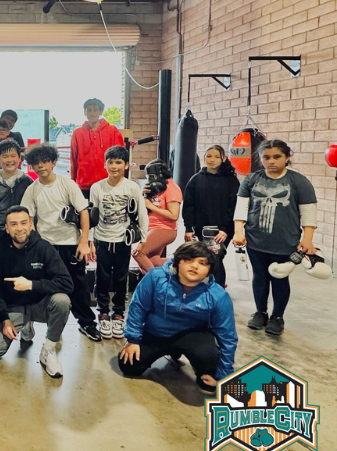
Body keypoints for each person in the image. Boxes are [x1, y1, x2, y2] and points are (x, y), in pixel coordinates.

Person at [118, 241, 238, 395]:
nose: (194, 266)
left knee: (210, 365)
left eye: (202, 263)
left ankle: (199, 367)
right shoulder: (155, 277)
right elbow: (138, 306)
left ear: (209, 269)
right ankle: (168, 351)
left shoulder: (218, 295)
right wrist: (133, 340)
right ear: (177, 262)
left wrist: (224, 376)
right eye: (188, 260)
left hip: (192, 336)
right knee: (128, 366)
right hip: (155, 333)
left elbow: (227, 336)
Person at [233, 139, 317, 336]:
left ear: (287, 157)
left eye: (277, 157)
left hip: (285, 241)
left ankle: (277, 317)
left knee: (280, 279)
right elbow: (241, 207)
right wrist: (239, 231)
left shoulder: (299, 182)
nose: (271, 161)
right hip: (256, 240)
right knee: (260, 277)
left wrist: (307, 239)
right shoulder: (251, 180)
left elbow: (308, 213)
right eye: (266, 157)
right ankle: (260, 313)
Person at [22, 143, 101, 342]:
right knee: (45, 286)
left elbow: (84, 211)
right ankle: (42, 322)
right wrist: (35, 244)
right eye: (36, 163)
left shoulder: (67, 184)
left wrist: (84, 241)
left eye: (44, 161)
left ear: (53, 162)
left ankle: (87, 323)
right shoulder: (32, 189)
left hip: (71, 244)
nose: (40, 166)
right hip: (46, 246)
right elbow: (28, 218)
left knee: (79, 285)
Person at [0, 206, 73, 378]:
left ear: (31, 225)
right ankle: (25, 325)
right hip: (14, 308)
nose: (19, 228)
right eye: (14, 224)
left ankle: (48, 350)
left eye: (23, 223)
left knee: (62, 300)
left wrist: (32, 285)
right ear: (7, 228)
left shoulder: (44, 248)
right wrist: (4, 319)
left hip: (41, 305)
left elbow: (66, 283)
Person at [89, 145, 148, 339]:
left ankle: (119, 312)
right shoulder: (97, 187)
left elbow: (142, 213)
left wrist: (143, 239)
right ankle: (103, 312)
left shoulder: (132, 187)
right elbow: (92, 216)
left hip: (123, 241)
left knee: (122, 278)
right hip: (102, 240)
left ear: (126, 165)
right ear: (105, 164)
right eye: (110, 162)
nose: (114, 166)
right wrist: (90, 241)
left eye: (118, 162)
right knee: (102, 277)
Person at [182, 145, 240, 287]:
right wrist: (188, 228)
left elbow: (233, 207)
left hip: (222, 230)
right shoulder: (196, 179)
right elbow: (189, 205)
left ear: (223, 158)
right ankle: (205, 288)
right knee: (204, 258)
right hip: (201, 228)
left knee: (215, 257)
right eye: (209, 156)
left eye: (216, 156)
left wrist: (225, 229)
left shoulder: (231, 180)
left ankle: (217, 290)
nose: (212, 160)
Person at [132, 159, 183, 274]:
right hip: (152, 227)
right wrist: (142, 195)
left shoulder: (172, 188)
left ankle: (157, 280)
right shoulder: (156, 187)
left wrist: (151, 205)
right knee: (153, 262)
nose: (149, 179)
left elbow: (174, 215)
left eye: (151, 176)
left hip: (164, 228)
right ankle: (164, 279)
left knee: (137, 252)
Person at [70, 99, 124, 198]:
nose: (92, 113)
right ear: (85, 112)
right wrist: (73, 182)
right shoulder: (77, 133)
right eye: (89, 110)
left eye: (95, 110)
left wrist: (120, 180)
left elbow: (121, 158)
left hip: (108, 183)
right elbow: (73, 159)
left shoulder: (112, 131)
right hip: (84, 185)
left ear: (100, 112)